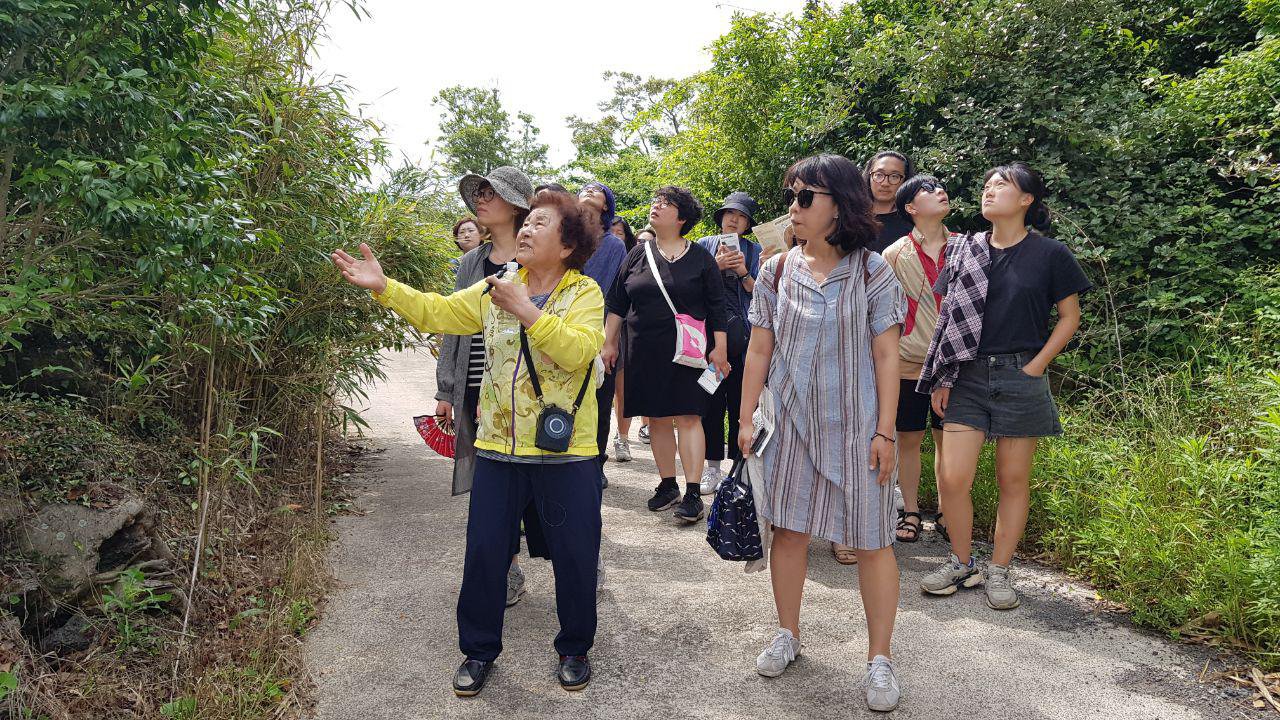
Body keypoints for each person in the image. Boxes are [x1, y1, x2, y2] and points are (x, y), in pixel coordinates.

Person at [332, 189, 606, 695]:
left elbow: (579, 353)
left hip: (565, 452)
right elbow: (438, 312)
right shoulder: (495, 287)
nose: (525, 230)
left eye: (539, 223)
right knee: (484, 551)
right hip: (498, 447)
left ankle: (574, 646)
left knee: (574, 553)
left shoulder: (584, 293)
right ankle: (478, 651)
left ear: (567, 245)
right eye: (526, 222)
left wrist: (526, 310)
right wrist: (384, 287)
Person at [738, 154, 905, 711]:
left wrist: (885, 431)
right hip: (786, 425)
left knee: (872, 540)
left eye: (805, 196)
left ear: (840, 204)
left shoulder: (871, 270)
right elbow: (759, 347)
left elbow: (886, 353)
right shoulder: (776, 270)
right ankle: (788, 633)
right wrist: (744, 420)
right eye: (792, 195)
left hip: (858, 429)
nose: (794, 206)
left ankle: (879, 659)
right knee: (788, 532)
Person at [918, 162, 1091, 610]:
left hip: (1021, 373)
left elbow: (1069, 318)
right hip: (968, 375)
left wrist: (1036, 366)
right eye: (987, 184)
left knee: (1012, 479)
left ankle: (999, 569)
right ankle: (961, 562)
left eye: (1001, 185)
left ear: (1027, 200)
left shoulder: (1050, 254)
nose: (989, 191)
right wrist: (945, 374)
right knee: (953, 478)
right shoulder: (964, 251)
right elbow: (948, 321)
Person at [431, 168, 546, 608]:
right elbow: (451, 328)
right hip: (479, 387)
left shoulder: (541, 255)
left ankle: (576, 551)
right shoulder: (469, 263)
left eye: (489, 192)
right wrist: (447, 390)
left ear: (516, 204)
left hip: (531, 389)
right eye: (477, 193)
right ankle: (508, 566)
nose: (480, 199)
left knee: (542, 480)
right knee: (489, 482)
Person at [602, 186, 729, 524]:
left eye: (666, 203)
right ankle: (667, 484)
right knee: (657, 417)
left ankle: (692, 493)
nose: (656, 206)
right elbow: (617, 303)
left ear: (682, 217)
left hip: (688, 352)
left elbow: (718, 306)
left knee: (689, 416)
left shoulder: (701, 257)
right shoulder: (637, 254)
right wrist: (609, 343)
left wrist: (720, 348)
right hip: (643, 348)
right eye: (656, 201)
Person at [882, 175, 956, 543]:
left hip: (955, 366)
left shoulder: (966, 247)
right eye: (929, 190)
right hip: (908, 364)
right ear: (911, 208)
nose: (940, 192)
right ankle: (910, 511)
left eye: (941, 187)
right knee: (907, 440)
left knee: (950, 441)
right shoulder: (894, 254)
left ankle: (947, 511)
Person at [695, 191, 761, 494]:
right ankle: (711, 468)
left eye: (741, 216)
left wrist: (743, 271)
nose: (734, 219)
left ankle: (737, 470)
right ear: (720, 218)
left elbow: (764, 294)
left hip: (746, 343)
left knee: (740, 405)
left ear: (747, 224)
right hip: (710, 342)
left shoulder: (757, 251)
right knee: (710, 404)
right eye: (729, 213)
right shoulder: (702, 247)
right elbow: (689, 288)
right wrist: (716, 268)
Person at [578, 181, 628, 487]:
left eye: (596, 190)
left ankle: (596, 461)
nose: (588, 191)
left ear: (606, 206)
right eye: (583, 188)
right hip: (561, 327)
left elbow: (613, 297)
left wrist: (608, 341)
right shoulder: (566, 234)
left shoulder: (614, 245)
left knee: (599, 398)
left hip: (599, 330)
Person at [615, 225, 658, 450]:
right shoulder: (624, 263)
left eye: (648, 242)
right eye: (640, 241)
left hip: (644, 333)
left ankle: (637, 430)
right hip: (618, 328)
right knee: (618, 388)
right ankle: (621, 437)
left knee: (631, 387)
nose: (643, 246)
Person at [864, 151, 916, 254]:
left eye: (894, 176)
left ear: (905, 181)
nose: (885, 183)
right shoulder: (852, 218)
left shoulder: (914, 222)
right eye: (879, 175)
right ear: (869, 176)